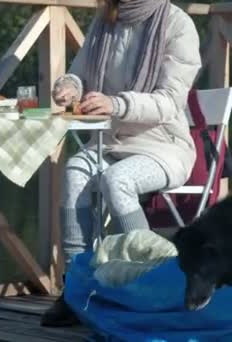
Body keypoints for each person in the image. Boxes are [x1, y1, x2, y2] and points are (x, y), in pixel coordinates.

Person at [41, 0, 201, 327]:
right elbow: (79, 73)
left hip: (164, 144)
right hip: (112, 140)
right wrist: (69, 86)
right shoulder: (106, 21)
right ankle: (76, 290)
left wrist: (116, 104)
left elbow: (170, 102)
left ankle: (147, 286)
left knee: (117, 180)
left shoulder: (177, 23)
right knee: (74, 173)